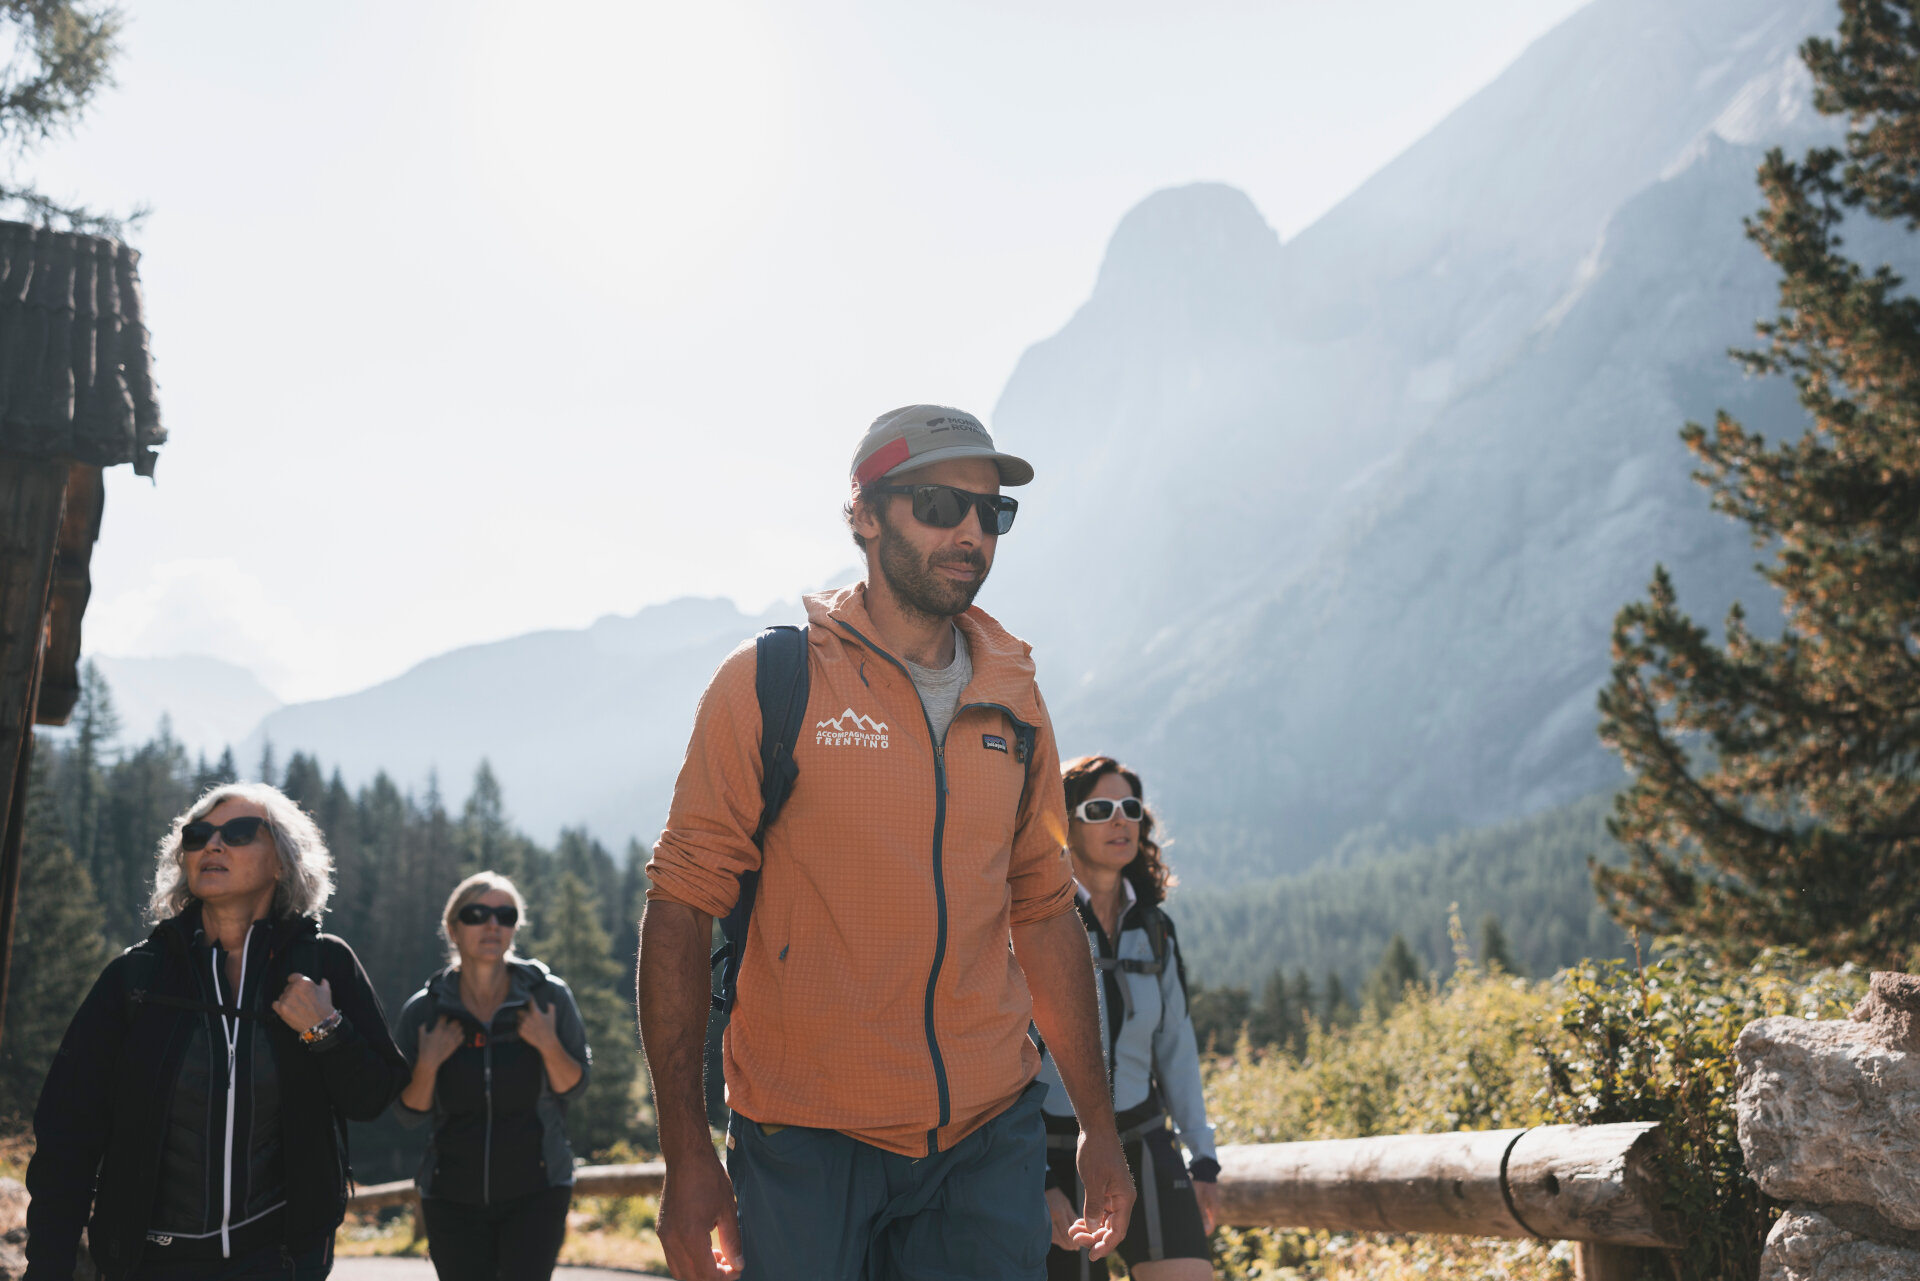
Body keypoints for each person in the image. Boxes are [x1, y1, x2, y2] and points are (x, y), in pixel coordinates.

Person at [639, 404, 1136, 1281]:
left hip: (986, 1134)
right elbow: (680, 908)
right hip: (805, 1142)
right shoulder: (770, 681)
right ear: (864, 515)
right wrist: (686, 1153)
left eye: (994, 513)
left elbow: (1046, 910)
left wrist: (1097, 1121)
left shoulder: (1016, 696)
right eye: (942, 505)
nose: (972, 532)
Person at [25, 783, 410, 1281]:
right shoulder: (137, 979)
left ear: (282, 861)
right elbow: (67, 1133)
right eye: (198, 835)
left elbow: (373, 1096)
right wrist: (48, 1267)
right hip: (148, 1260)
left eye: (240, 832)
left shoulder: (322, 965)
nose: (212, 845)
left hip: (280, 1258)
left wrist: (325, 1029)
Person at [1039, 757, 1220, 1281]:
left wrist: (1203, 1158)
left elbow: (1177, 1049)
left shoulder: (1155, 928)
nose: (1121, 821)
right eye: (1100, 809)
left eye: (1130, 809)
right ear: (1064, 824)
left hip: (1144, 1140)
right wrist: (1035, 1177)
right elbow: (1008, 1054)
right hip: (1051, 1153)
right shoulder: (1035, 922)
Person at [392, 872, 592, 1281]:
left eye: (505, 914)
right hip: (450, 1196)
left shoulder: (547, 997)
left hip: (538, 1190)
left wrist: (547, 1042)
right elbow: (408, 1112)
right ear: (452, 928)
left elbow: (575, 1085)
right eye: (476, 913)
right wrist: (428, 1063)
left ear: (515, 926)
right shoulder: (425, 1010)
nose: (492, 924)